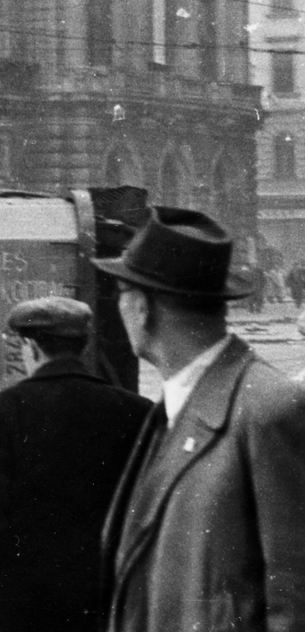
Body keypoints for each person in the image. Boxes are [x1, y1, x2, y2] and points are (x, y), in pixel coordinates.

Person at [97, 207, 305, 632]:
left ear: (142, 308)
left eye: (121, 292)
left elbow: (295, 597)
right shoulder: (173, 408)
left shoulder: (269, 409)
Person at [0, 296, 152, 632]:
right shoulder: (138, 412)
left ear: (30, 347)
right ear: (83, 347)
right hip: (110, 611)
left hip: (24, 611)